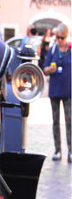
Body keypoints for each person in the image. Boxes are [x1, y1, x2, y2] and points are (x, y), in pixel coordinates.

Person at [43, 23, 71, 163]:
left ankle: (70, 151)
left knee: (69, 121)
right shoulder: (53, 49)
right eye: (57, 37)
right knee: (56, 122)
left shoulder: (70, 50)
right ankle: (58, 150)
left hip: (68, 91)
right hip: (54, 90)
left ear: (66, 37)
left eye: (62, 37)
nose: (59, 40)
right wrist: (49, 70)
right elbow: (44, 68)